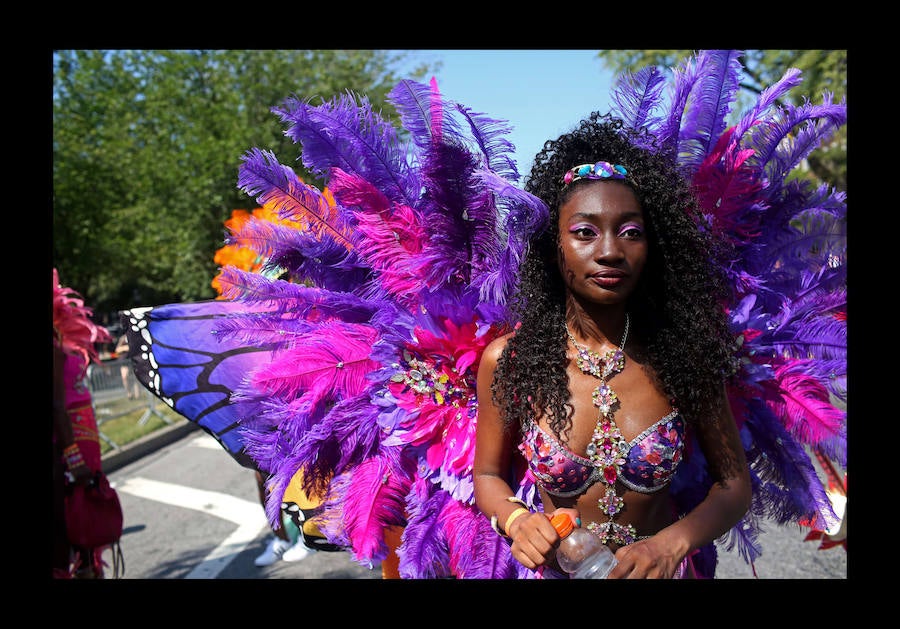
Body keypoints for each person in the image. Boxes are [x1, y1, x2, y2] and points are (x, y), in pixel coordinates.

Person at [472, 114, 752, 579]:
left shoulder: (683, 356)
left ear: (653, 247)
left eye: (630, 232)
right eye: (584, 232)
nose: (609, 252)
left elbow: (733, 484)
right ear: (552, 245)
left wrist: (671, 544)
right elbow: (487, 476)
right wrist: (518, 521)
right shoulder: (510, 361)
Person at [52, 268, 114, 578]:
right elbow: (57, 407)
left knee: (83, 529)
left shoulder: (58, 337)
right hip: (69, 451)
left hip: (81, 444)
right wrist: (74, 458)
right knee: (74, 531)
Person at [114, 333, 142, 400]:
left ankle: (137, 395)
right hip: (124, 361)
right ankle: (129, 393)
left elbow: (136, 347)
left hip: (133, 360)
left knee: (136, 378)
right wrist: (125, 348)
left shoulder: (135, 336)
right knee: (125, 377)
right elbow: (117, 350)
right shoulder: (123, 338)